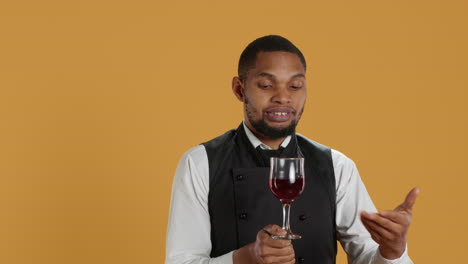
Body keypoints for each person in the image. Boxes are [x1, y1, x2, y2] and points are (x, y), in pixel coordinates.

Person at [165, 35, 418, 264]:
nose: (283, 97)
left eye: (295, 86)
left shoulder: (336, 166)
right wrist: (245, 257)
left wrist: (392, 252)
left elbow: (366, 255)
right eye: (266, 85)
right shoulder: (200, 163)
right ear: (239, 89)